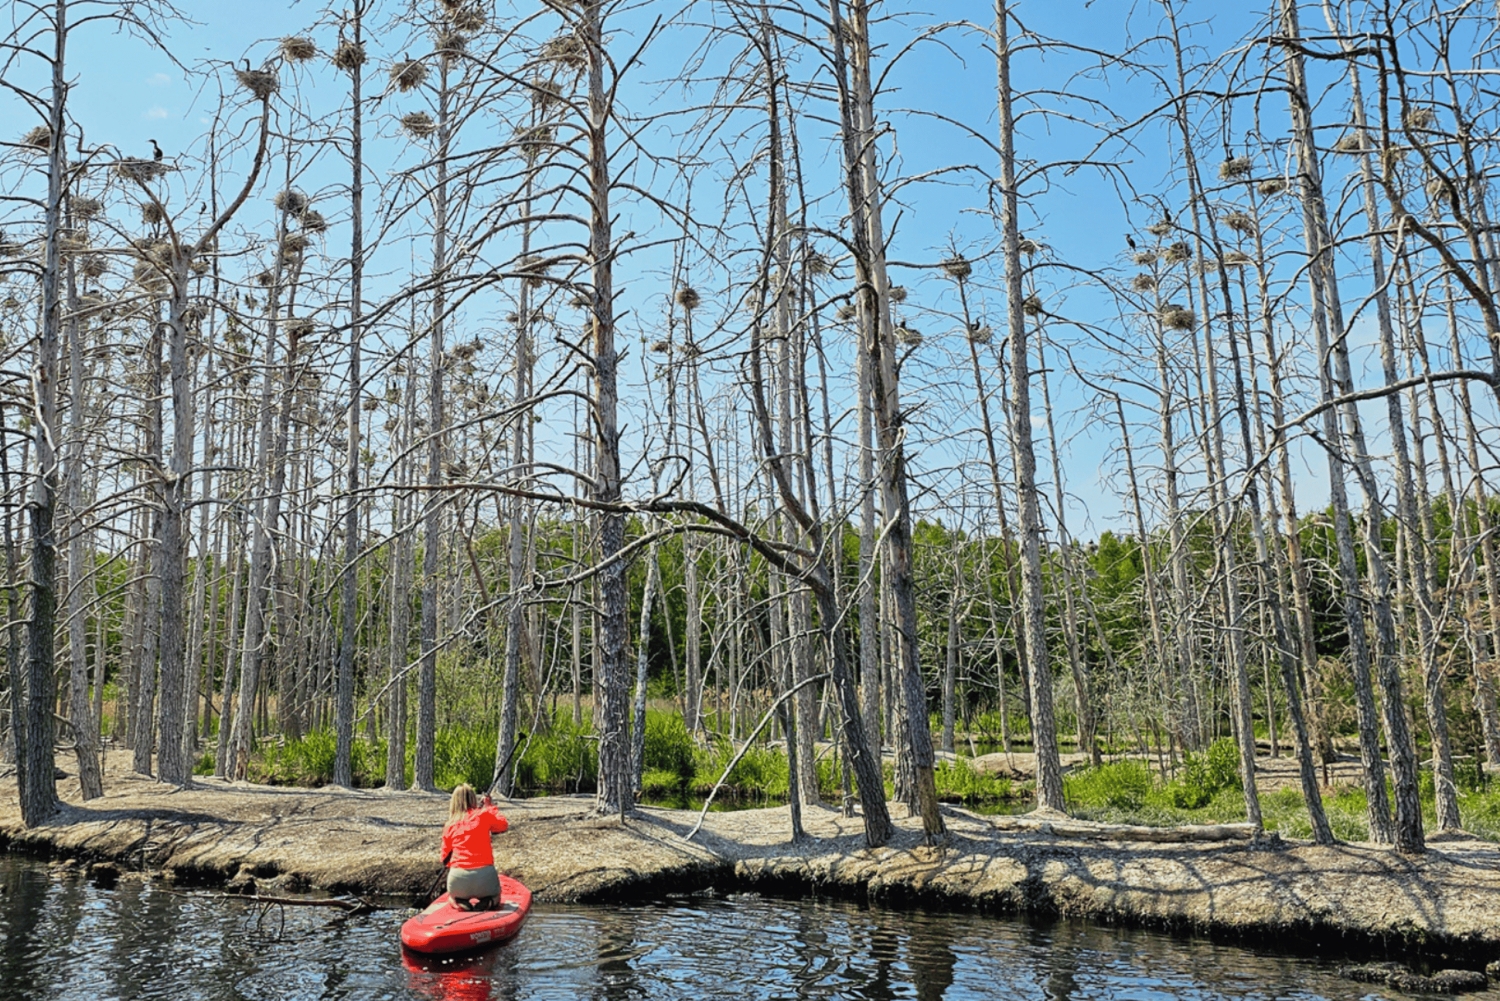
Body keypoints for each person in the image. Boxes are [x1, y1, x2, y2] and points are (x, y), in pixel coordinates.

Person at [441, 783, 509, 912]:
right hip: (484, 876)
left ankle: (458, 901)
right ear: (473, 798)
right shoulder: (483, 815)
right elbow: (502, 825)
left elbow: (445, 858)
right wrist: (489, 806)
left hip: (458, 877)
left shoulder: (449, 824)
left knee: (452, 896)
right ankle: (490, 901)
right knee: (496, 896)